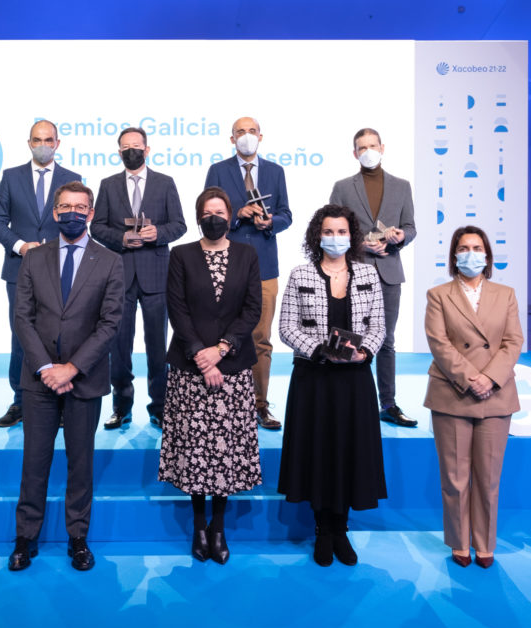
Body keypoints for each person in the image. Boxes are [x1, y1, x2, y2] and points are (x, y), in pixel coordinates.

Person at [8, 181, 123, 572]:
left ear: (90, 214)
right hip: (38, 379)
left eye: (80, 207)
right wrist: (46, 369)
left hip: (84, 379)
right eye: (65, 207)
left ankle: (78, 538)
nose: (72, 213)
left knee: (81, 462)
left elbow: (110, 324)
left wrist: (72, 368)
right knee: (34, 462)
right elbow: (22, 317)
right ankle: (26, 538)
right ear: (55, 213)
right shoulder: (33, 259)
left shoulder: (110, 261)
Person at [278, 204, 386, 567]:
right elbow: (287, 328)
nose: (335, 238)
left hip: (355, 380)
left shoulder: (369, 273)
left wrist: (364, 352)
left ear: (352, 236)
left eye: (342, 232)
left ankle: (342, 529)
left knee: (349, 452)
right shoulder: (300, 275)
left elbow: (379, 327)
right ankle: (323, 530)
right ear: (317, 235)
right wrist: (319, 350)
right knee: (318, 452)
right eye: (329, 231)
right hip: (314, 379)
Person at [159, 187, 263, 564]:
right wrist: (201, 355)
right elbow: (177, 308)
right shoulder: (181, 254)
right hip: (190, 367)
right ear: (199, 216)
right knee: (195, 450)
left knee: (225, 452)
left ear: (230, 215)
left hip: (232, 366)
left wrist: (221, 350)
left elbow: (252, 310)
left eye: (220, 211)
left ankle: (218, 527)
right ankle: (198, 524)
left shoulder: (248, 254)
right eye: (207, 212)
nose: (213, 217)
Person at [424, 226, 522, 569]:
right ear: (454, 255)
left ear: (487, 255)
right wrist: (470, 378)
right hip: (452, 392)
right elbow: (439, 343)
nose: (470, 253)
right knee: (454, 476)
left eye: (477, 247)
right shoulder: (438, 295)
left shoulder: (505, 294)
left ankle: (485, 544)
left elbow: (513, 342)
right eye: (463, 247)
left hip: (496, 394)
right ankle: (458, 542)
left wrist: (490, 378)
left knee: (489, 477)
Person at [90, 126, 186, 429]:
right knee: (119, 346)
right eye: (125, 147)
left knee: (158, 346)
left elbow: (180, 224)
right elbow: (97, 227)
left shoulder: (165, 183)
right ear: (119, 152)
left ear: (147, 150)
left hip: (156, 275)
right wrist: (120, 238)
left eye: (136, 146)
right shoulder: (107, 185)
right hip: (119, 275)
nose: (131, 150)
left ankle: (159, 407)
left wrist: (158, 233)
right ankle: (121, 406)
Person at [0, 120, 81, 428]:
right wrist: (20, 245)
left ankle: (63, 401)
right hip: (20, 268)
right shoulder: (11, 177)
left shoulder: (72, 179)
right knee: (21, 336)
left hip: (61, 268)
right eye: (37, 140)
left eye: (49, 139)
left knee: (61, 334)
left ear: (58, 143)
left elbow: (77, 222)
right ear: (29, 143)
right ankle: (20, 402)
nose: (43, 144)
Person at [204, 117, 292, 430]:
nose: (246, 136)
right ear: (231, 139)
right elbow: (208, 216)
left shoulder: (276, 172)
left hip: (265, 266)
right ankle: (225, 403)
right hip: (227, 264)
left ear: (261, 136)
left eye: (251, 131)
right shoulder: (218, 171)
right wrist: (237, 216)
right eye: (240, 132)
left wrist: (272, 223)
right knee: (223, 336)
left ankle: (260, 405)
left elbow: (286, 215)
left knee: (261, 339)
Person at [329, 127, 417, 428]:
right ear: (355, 153)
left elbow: (410, 227)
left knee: (387, 340)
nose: (367, 151)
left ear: (382, 147)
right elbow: (330, 226)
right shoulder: (342, 187)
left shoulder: (402, 186)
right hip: (353, 270)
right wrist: (359, 243)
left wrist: (399, 237)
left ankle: (388, 403)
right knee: (348, 335)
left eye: (372, 145)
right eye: (361, 147)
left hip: (389, 270)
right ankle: (343, 399)